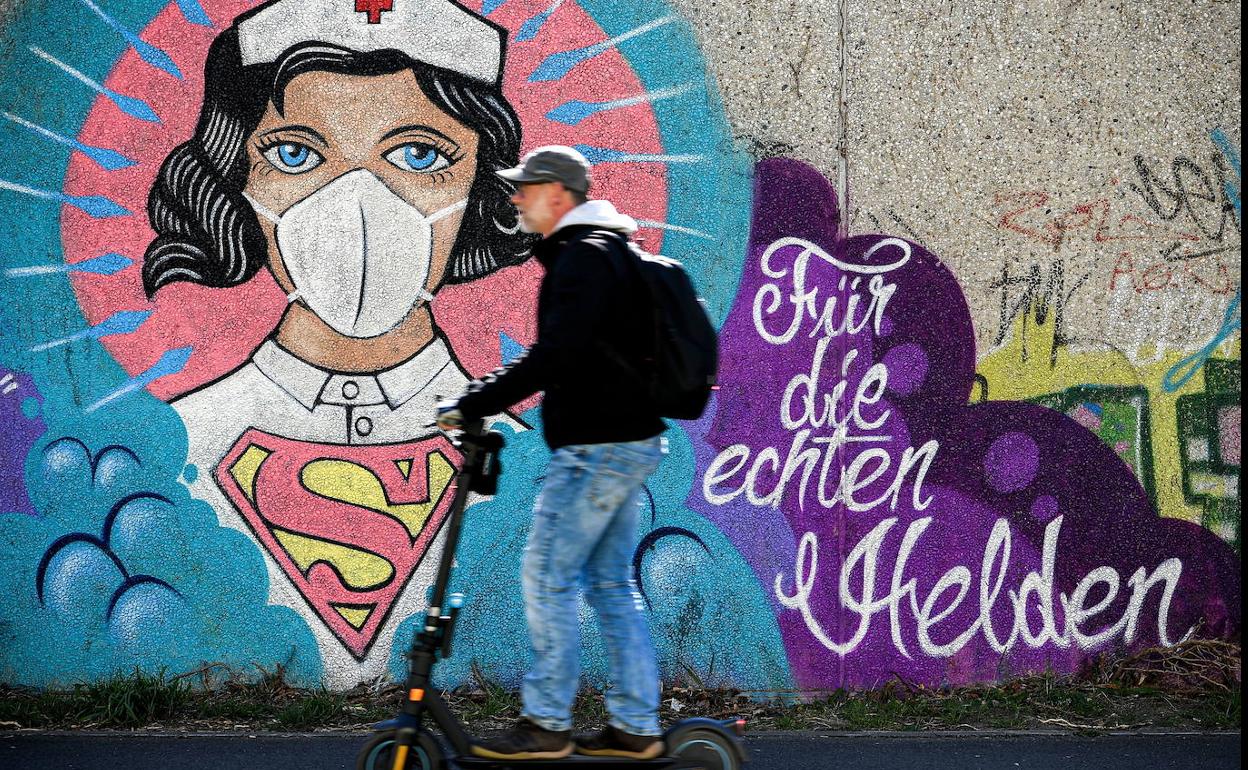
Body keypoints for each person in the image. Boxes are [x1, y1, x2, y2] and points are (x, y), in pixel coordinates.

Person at [143, 0, 530, 686]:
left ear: (481, 189)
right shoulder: (181, 452)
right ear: (236, 181)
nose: (356, 199)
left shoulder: (523, 464)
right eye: (295, 154)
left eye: (419, 155)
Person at [437, 146, 669, 761]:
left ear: (558, 195)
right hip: (630, 442)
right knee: (610, 583)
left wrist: (476, 399)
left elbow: (556, 355)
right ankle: (636, 725)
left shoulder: (582, 259)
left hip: (597, 448)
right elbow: (570, 351)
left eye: (526, 188)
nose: (516, 198)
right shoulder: (609, 252)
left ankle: (546, 723)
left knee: (547, 575)